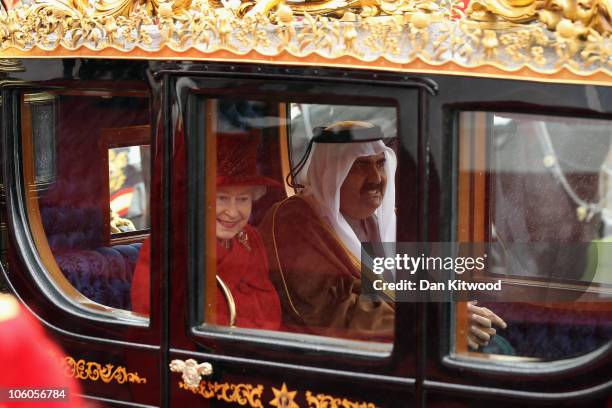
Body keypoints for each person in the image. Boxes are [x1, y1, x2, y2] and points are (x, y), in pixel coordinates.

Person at [259, 121, 506, 347]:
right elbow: (333, 312)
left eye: (380, 164)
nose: (376, 178)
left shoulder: (374, 219)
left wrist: (453, 309)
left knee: (497, 344)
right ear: (331, 172)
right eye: (360, 166)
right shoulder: (292, 220)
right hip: (337, 356)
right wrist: (436, 321)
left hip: (396, 337)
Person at [131, 132, 281, 330]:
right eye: (222, 198)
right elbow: (165, 326)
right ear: (196, 199)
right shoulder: (168, 245)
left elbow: (271, 311)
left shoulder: (250, 238)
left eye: (243, 199)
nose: (233, 212)